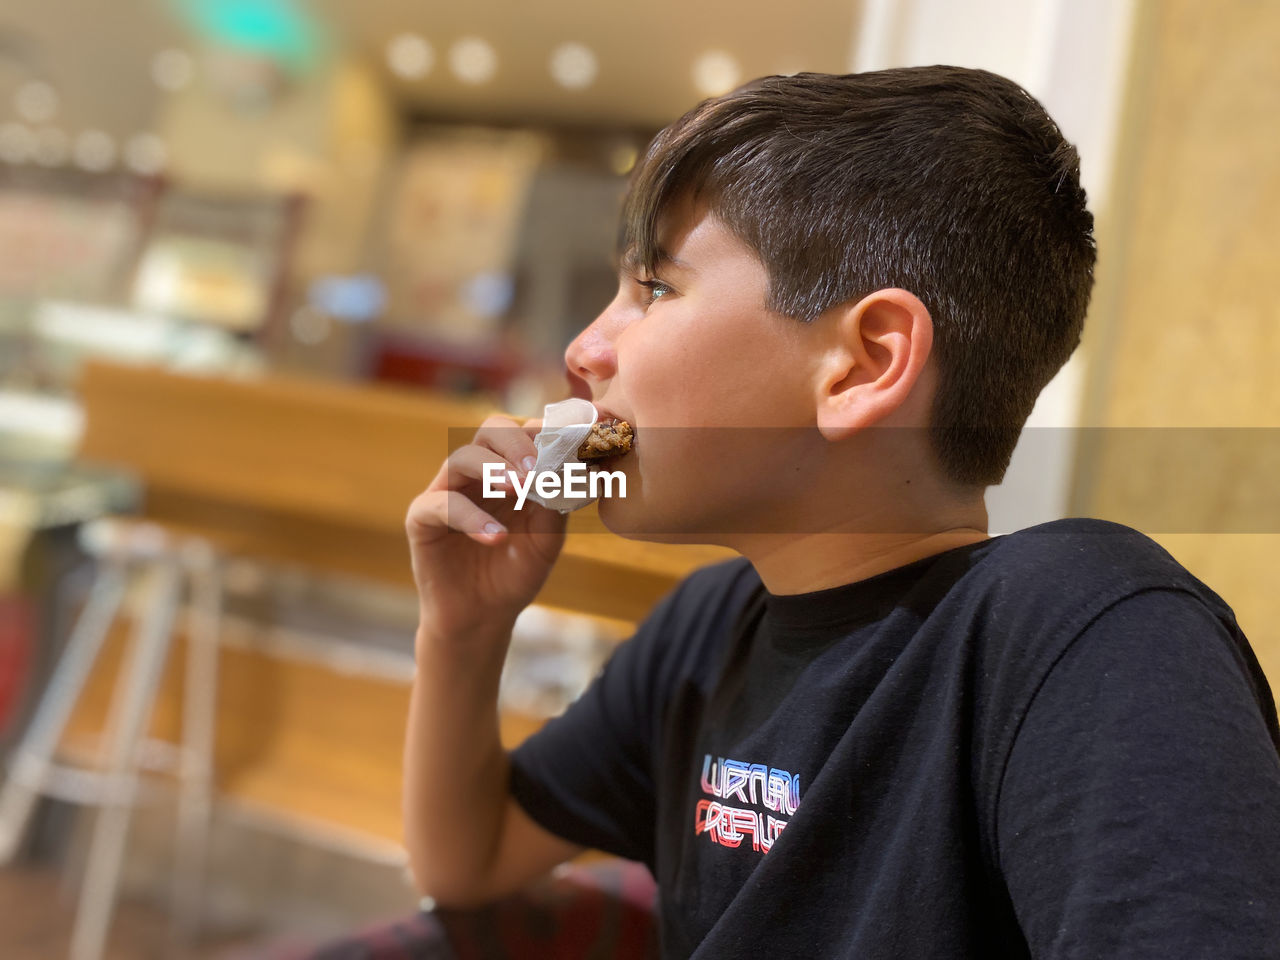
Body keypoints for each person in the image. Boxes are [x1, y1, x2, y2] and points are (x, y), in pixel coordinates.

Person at [401, 66, 1280, 958]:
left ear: (863, 365)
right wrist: (466, 631)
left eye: (656, 290)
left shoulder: (1087, 634)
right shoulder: (704, 633)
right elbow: (467, 864)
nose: (584, 349)